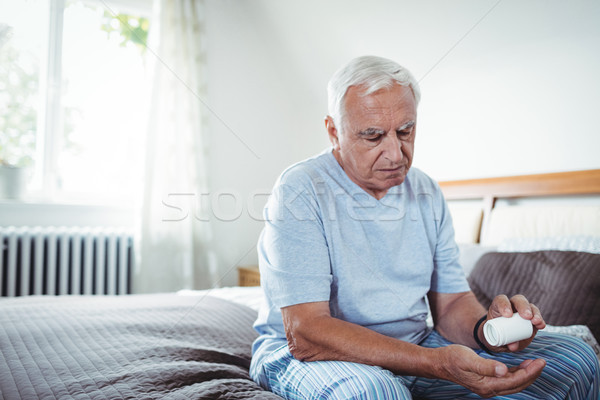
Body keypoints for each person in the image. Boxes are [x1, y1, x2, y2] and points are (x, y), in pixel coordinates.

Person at [249, 55, 600, 399]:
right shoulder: (300, 189)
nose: (395, 154)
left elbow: (450, 306)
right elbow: (307, 332)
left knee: (577, 358)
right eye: (372, 136)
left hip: (416, 345)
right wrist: (434, 363)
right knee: (376, 392)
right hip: (304, 352)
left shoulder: (427, 191)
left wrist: (487, 331)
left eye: (405, 131)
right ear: (333, 132)